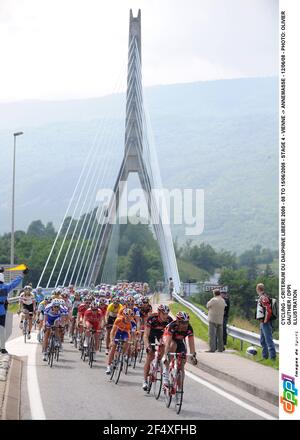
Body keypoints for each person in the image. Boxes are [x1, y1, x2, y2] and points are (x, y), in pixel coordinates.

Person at [142, 304, 172, 391]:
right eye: (163, 313)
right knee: (150, 355)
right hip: (151, 333)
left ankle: (158, 360)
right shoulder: (151, 319)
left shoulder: (169, 320)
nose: (165, 316)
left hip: (161, 333)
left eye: (167, 313)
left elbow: (169, 335)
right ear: (159, 313)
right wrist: (148, 346)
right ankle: (144, 380)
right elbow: (145, 335)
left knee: (163, 344)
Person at [162, 311, 197, 386]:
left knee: (182, 364)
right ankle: (166, 370)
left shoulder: (189, 328)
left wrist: (193, 355)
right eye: (183, 323)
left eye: (186, 322)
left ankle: (179, 389)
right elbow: (168, 343)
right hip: (168, 337)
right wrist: (166, 356)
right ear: (178, 322)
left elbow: (191, 343)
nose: (185, 325)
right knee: (173, 345)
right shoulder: (172, 326)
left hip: (179, 340)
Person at [0, 266, 29, 354]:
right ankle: (2, 348)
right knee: (1, 329)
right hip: (2, 310)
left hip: (2, 309)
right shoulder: (5, 287)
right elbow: (14, 283)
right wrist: (22, 274)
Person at [256, 283, 276, 360]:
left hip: (265, 322)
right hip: (262, 322)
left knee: (269, 341)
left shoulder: (263, 298)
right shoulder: (262, 297)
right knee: (263, 341)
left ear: (258, 289)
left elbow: (268, 310)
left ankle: (272, 358)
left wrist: (265, 320)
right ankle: (265, 357)